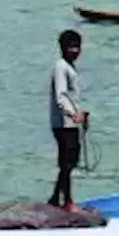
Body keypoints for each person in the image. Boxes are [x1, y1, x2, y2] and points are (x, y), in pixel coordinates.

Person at [48, 29, 89, 210]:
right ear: (63, 48)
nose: (76, 51)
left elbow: (72, 96)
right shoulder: (61, 67)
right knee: (67, 162)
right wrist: (73, 114)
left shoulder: (71, 68)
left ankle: (56, 198)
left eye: (78, 47)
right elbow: (61, 96)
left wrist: (81, 114)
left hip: (71, 123)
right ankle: (68, 202)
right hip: (63, 123)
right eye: (72, 47)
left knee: (69, 162)